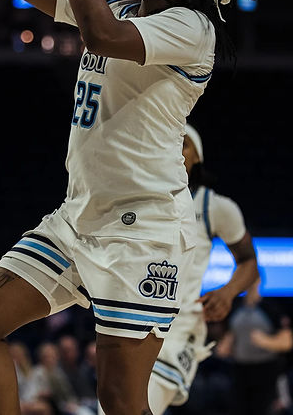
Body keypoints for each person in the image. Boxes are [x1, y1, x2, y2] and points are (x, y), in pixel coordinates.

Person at [0, 0, 263, 415]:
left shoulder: (193, 31)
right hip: (80, 214)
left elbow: (100, 32)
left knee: (119, 398)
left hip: (142, 229)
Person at [104, 123, 258, 415]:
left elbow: (249, 262)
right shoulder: (137, 198)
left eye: (184, 143)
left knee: (133, 407)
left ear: (197, 158)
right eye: (168, 141)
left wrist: (227, 292)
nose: (174, 147)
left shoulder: (214, 206)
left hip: (179, 330)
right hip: (131, 322)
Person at [224, 280, 293, 415]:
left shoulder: (270, 308)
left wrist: (266, 341)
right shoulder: (236, 307)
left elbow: (288, 342)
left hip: (266, 370)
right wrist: (225, 346)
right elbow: (230, 337)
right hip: (240, 370)